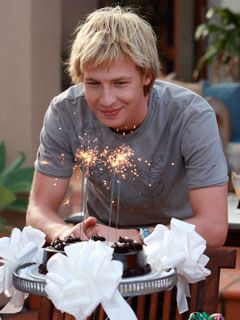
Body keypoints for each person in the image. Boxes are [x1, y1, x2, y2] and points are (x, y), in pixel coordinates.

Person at [26, 6, 228, 247]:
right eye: (93, 84)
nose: (106, 99)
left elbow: (214, 226)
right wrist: (61, 231)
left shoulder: (191, 116)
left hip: (174, 249)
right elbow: (39, 209)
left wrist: (131, 237)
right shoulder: (65, 112)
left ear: (147, 76)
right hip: (99, 251)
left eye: (120, 83)